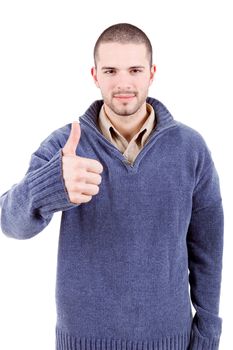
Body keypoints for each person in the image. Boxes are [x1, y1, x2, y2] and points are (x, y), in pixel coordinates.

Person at [0, 23, 224, 350]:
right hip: (82, 343)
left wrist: (207, 334)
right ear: (95, 75)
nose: (123, 83)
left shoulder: (190, 148)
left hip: (171, 341)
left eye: (134, 69)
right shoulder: (66, 146)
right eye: (110, 70)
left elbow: (208, 248)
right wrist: (49, 186)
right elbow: (9, 222)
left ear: (152, 73)